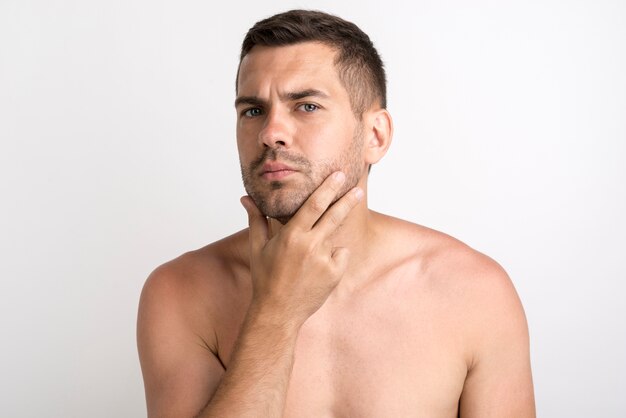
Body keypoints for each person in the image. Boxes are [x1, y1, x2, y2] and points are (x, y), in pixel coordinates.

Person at [137, 9, 535, 418]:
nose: (270, 132)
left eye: (306, 106)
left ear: (375, 136)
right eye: (252, 111)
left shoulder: (473, 292)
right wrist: (275, 312)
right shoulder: (181, 292)